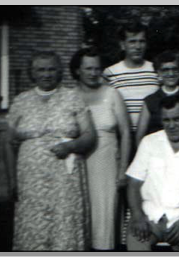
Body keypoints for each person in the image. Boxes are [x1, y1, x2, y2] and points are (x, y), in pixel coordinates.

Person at [5, 51, 96, 251]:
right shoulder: (21, 100)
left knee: (65, 223)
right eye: (41, 70)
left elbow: (90, 135)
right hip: (30, 178)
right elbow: (8, 142)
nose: (46, 74)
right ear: (32, 73)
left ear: (60, 71)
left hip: (65, 177)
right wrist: (12, 180)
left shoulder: (73, 97)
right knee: (34, 225)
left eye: (51, 69)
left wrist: (70, 146)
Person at [126, 95, 179, 251]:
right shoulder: (149, 142)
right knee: (135, 245)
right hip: (150, 216)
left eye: (177, 119)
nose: (171, 125)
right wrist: (137, 215)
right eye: (167, 120)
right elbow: (133, 183)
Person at [70, 48, 131, 251]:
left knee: (104, 214)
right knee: (80, 211)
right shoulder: (70, 96)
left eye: (98, 68)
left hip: (107, 162)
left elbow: (125, 132)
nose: (94, 73)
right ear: (78, 70)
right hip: (78, 162)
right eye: (88, 68)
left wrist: (123, 168)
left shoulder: (112, 94)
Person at [103, 22, 159, 136]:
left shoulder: (156, 70)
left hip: (152, 135)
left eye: (141, 41)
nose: (138, 47)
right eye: (132, 41)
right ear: (122, 45)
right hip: (123, 137)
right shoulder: (110, 73)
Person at [136, 50, 179, 146]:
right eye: (165, 70)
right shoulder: (150, 101)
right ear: (158, 73)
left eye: (175, 69)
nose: (171, 74)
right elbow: (140, 136)